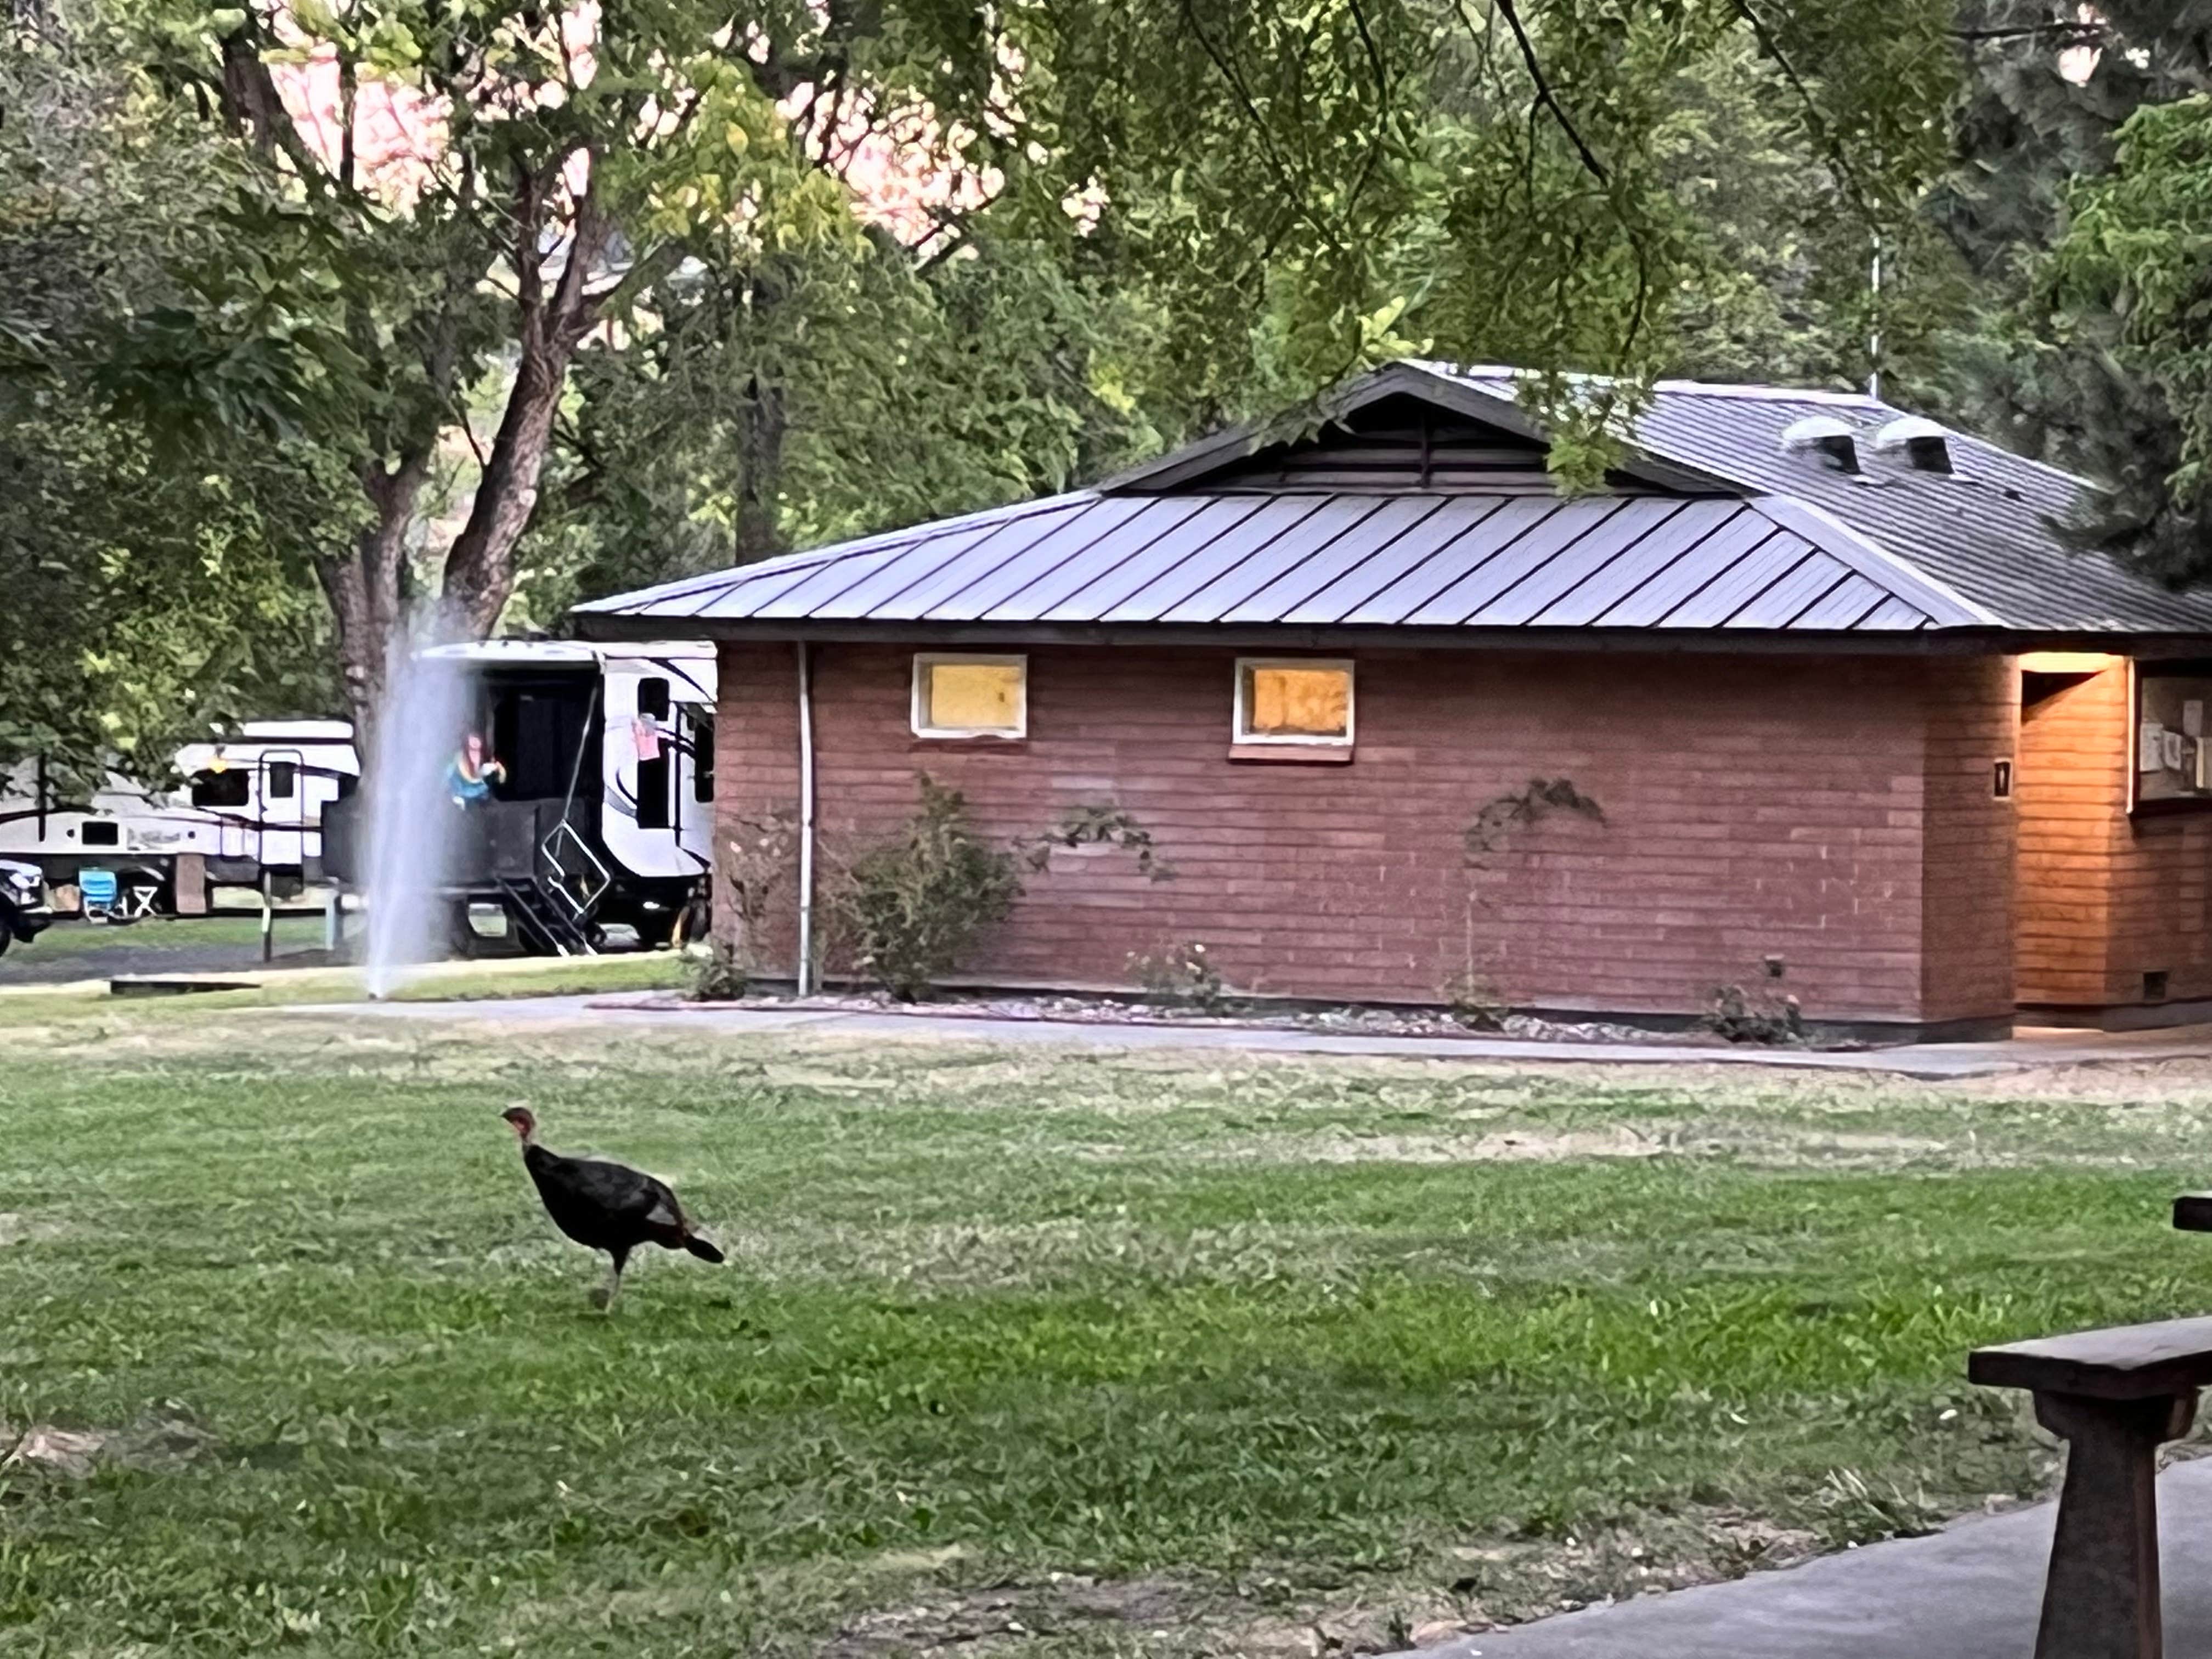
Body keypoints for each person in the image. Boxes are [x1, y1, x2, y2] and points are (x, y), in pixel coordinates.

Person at [446, 731, 506, 806]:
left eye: (479, 750)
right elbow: (460, 790)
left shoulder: (487, 769)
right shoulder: (455, 773)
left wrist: (492, 775)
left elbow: (501, 781)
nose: (476, 754)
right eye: (472, 749)